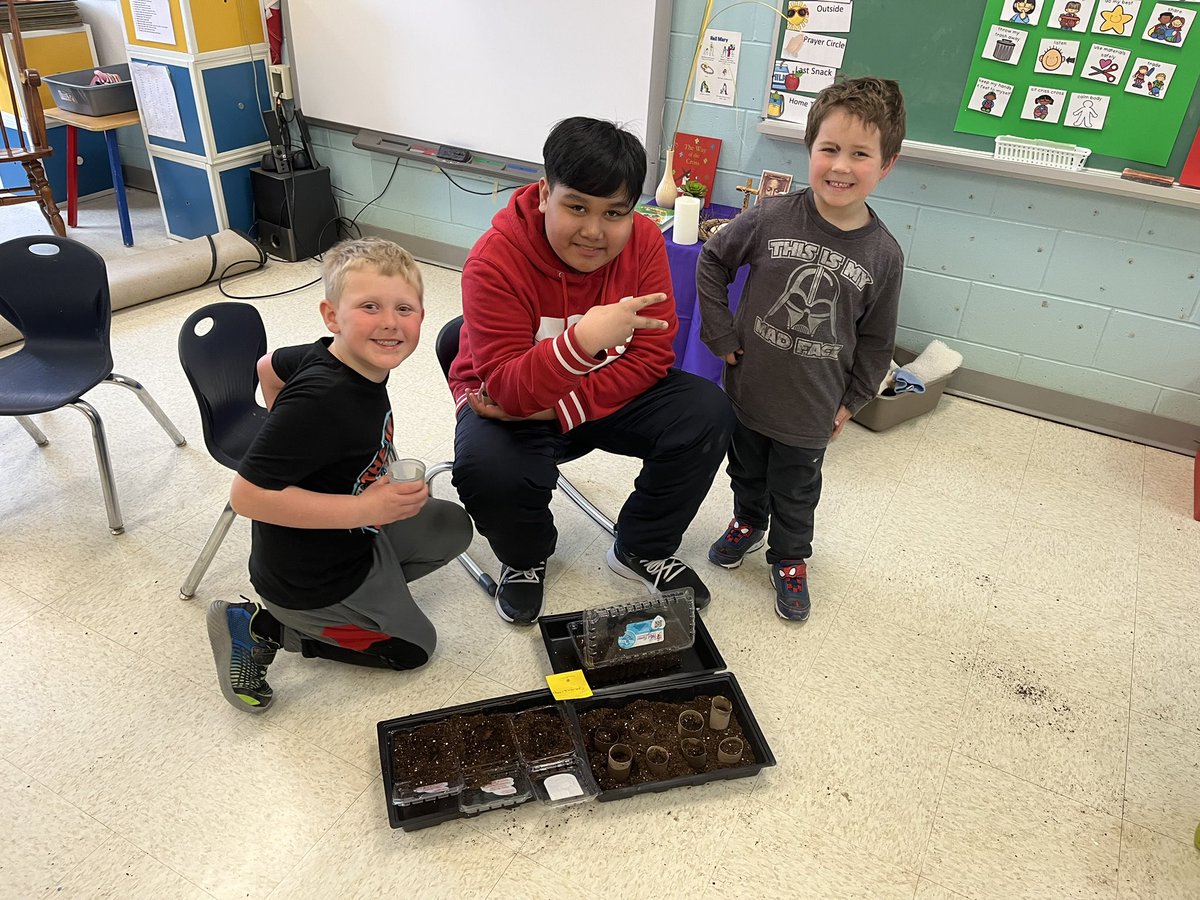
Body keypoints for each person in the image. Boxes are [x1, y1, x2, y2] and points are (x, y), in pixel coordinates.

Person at [448, 117, 735, 625]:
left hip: (569, 400)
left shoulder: (644, 241)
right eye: (576, 206)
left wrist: (558, 408)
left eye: (614, 212)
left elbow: (652, 356)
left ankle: (641, 547)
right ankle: (524, 559)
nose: (593, 231)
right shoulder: (494, 260)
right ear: (544, 194)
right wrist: (583, 341)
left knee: (706, 410)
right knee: (489, 470)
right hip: (506, 402)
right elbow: (507, 390)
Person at [206, 237, 473, 713]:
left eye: (404, 308)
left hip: (354, 535)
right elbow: (246, 496)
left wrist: (300, 448)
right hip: (308, 575)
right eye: (370, 306)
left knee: (451, 526)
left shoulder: (339, 357)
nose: (390, 322)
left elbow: (268, 367)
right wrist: (362, 507)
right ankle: (267, 628)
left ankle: (372, 595)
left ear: (421, 315)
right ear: (332, 316)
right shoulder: (322, 400)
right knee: (415, 649)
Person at [695, 76, 906, 622]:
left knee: (795, 488)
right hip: (749, 388)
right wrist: (720, 333)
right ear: (810, 149)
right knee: (746, 471)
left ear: (886, 164)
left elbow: (878, 339)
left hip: (813, 405)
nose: (840, 166)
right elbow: (712, 260)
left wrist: (853, 400)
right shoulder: (770, 217)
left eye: (860, 154)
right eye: (829, 149)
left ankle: (789, 557)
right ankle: (747, 521)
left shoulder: (884, 255)